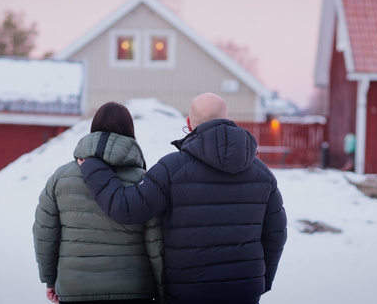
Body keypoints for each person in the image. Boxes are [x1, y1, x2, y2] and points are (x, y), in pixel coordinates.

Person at [79, 93, 287, 304]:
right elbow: (276, 235)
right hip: (245, 291)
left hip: (188, 292)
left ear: (188, 123)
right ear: (227, 118)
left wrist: (92, 166)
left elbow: (125, 208)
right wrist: (260, 281)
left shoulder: (171, 168)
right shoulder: (262, 173)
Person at [33, 102, 165, 304]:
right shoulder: (144, 180)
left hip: (75, 288)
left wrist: (50, 280)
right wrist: (162, 288)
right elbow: (155, 240)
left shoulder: (60, 178)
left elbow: (44, 233)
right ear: (130, 132)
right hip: (133, 289)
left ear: (93, 129)